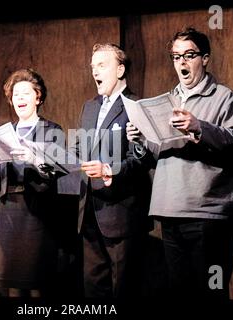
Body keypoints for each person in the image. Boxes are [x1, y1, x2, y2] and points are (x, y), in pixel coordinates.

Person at [126, 27, 233, 299]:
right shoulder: (166, 101)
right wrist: (139, 140)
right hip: (170, 209)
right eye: (175, 57)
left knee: (210, 292)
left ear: (205, 59)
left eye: (189, 55)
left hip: (207, 213)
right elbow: (153, 155)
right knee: (179, 292)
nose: (181, 63)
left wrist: (199, 128)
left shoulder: (224, 97)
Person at [73, 43, 152, 298]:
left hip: (123, 213)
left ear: (119, 69)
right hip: (90, 212)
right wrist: (51, 159)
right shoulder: (90, 107)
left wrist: (109, 169)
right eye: (93, 66)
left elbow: (142, 159)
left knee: (125, 288)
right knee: (93, 288)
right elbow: (79, 150)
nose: (95, 71)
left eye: (101, 65)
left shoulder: (137, 106)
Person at [0, 68, 64, 297]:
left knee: (38, 287)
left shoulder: (52, 130)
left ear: (38, 97)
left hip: (38, 212)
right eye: (16, 95)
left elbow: (56, 173)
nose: (20, 99)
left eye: (25, 93)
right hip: (8, 212)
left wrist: (34, 159)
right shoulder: (5, 133)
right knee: (13, 286)